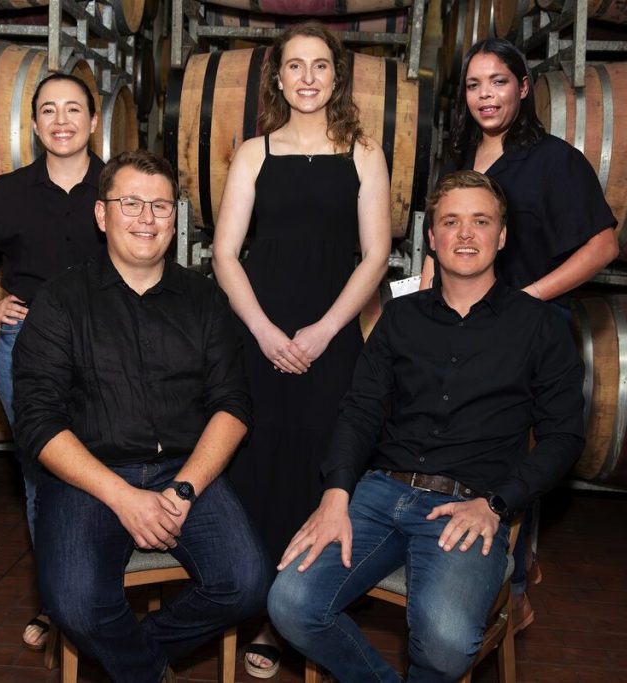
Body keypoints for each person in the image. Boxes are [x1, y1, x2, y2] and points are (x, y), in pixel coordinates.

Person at [268, 170, 586, 682]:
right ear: (432, 238)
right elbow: (361, 409)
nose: (466, 234)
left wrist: (498, 503)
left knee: (445, 643)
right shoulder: (400, 317)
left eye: (481, 222)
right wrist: (335, 495)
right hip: (377, 493)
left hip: (469, 505)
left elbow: (565, 437)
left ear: (501, 236)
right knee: (290, 604)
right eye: (451, 222)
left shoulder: (541, 326)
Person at [10, 150, 269, 683]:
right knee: (77, 603)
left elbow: (233, 404)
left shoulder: (204, 300)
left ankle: (132, 657)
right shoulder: (61, 299)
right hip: (90, 475)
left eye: (159, 206)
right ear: (102, 215)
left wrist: (184, 490)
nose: (147, 219)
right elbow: (36, 420)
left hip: (185, 470)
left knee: (247, 582)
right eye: (131, 203)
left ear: (174, 220)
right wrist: (123, 497)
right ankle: (151, 672)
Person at [211, 22, 392, 678]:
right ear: (279, 78)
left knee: (320, 465)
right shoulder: (253, 152)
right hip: (259, 333)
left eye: (320, 65)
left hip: (331, 333)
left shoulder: (364, 152)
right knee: (255, 460)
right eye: (296, 66)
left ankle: (283, 618)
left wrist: (324, 330)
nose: (308, 77)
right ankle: (250, 594)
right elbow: (226, 254)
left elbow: (375, 256)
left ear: (336, 78)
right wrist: (262, 330)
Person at [420, 37, 618, 627]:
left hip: (527, 328)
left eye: (499, 82)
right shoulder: (459, 158)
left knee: (512, 449)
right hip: (454, 323)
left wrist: (526, 298)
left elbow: (603, 244)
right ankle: (453, 551)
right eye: (475, 84)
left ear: (523, 88)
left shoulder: (554, 159)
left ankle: (511, 588)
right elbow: (439, 241)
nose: (486, 95)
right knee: (449, 438)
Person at [0, 72, 106, 650]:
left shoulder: (117, 186)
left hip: (108, 349)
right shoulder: (9, 192)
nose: (62, 121)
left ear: (93, 119)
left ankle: (105, 595)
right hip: (29, 348)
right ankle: (57, 602)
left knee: (114, 463)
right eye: (49, 111)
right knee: (43, 477)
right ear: (34, 125)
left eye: (74, 109)